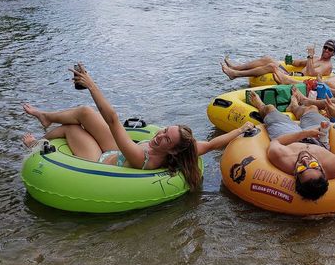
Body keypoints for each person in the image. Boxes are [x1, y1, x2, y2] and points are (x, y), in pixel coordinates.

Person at [22, 63, 254, 191]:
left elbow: (113, 119)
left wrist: (92, 85)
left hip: (101, 161)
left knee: (73, 130)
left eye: (166, 139)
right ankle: (46, 116)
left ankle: (35, 144)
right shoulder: (179, 148)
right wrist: (241, 130)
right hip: (114, 150)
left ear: (173, 151)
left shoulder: (142, 158)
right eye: (164, 130)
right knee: (84, 112)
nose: (159, 135)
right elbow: (214, 144)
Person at [247, 89, 335, 201]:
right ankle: (294, 106)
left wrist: (302, 134)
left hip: (288, 136)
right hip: (317, 139)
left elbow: (276, 142)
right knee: (313, 108)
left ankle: (260, 105)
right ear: (323, 171)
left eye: (301, 168)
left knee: (270, 108)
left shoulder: (281, 157)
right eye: (314, 165)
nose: (305, 160)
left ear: (295, 174)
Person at [221, 39, 335, 80]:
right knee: (268, 59)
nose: (327, 50)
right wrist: (290, 61)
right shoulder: (317, 58)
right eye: (325, 47)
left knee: (272, 67)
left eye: (330, 49)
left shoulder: (328, 66)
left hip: (298, 80)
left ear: (333, 53)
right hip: (293, 74)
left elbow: (312, 74)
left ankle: (236, 74)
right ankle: (236, 67)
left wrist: (310, 56)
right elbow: (300, 63)